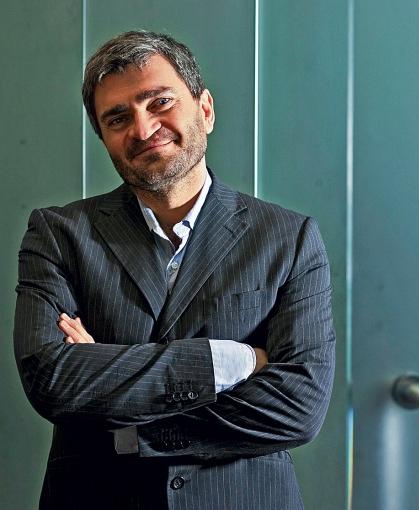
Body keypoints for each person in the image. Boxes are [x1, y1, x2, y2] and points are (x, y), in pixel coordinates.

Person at [13, 30, 335, 510]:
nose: (143, 129)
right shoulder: (59, 234)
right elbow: (53, 381)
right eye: (118, 118)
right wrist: (232, 361)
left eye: (159, 102)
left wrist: (126, 420)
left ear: (205, 109)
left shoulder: (290, 238)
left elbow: (299, 407)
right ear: (103, 138)